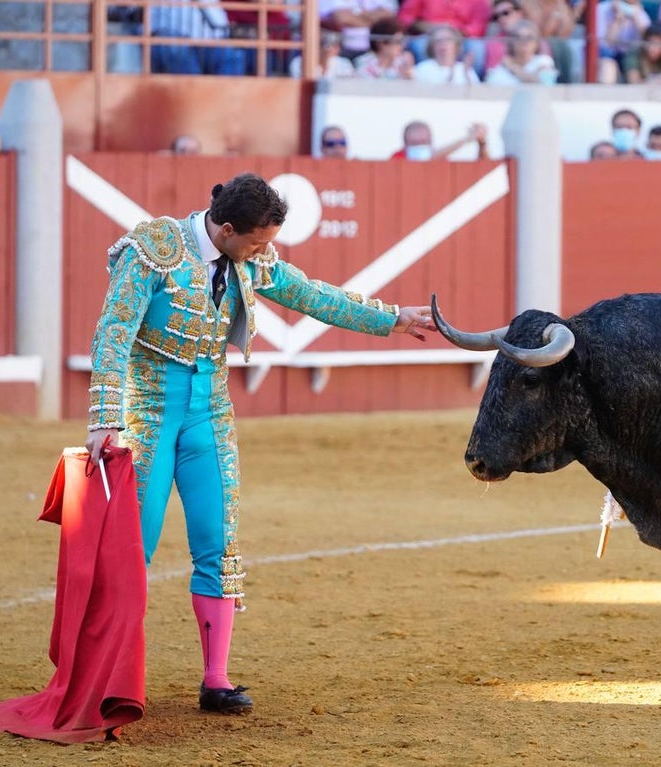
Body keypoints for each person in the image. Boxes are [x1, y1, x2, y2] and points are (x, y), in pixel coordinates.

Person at [83, 173, 436, 714]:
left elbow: (310, 294)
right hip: (145, 415)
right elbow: (113, 331)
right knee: (134, 549)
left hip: (209, 417)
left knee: (218, 542)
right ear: (226, 229)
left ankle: (216, 678)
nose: (264, 253)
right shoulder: (151, 249)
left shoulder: (249, 255)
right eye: (257, 242)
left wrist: (392, 319)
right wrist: (104, 418)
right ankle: (111, 677)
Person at [150, 0, 245, 75]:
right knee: (177, 50)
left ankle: (225, 99)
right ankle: (193, 97)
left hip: (208, 41)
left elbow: (219, 23)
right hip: (168, 37)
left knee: (233, 55)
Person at [483, 19, 558, 84]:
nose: (524, 41)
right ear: (511, 41)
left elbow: (544, 84)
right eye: (518, 37)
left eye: (529, 37)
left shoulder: (543, 61)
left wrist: (511, 68)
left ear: (536, 42)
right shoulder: (500, 69)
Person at [596, 0, 653, 84]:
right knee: (608, 66)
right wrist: (618, 21)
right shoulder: (601, 9)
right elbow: (603, 45)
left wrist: (636, 19)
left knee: (634, 62)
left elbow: (649, 44)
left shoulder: (640, 14)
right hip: (606, 57)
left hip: (630, 58)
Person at [320, 0, 398, 61]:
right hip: (341, 50)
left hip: (373, 51)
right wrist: (373, 19)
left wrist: (356, 15)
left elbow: (388, 15)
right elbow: (341, 17)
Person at [413, 25, 482, 84]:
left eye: (448, 40)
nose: (443, 44)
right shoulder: (423, 68)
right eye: (438, 41)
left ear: (456, 45)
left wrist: (466, 74)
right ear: (431, 46)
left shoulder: (464, 69)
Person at [391, 121, 490, 160]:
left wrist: (482, 144)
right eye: (414, 143)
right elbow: (429, 158)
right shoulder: (397, 158)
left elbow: (482, 168)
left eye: (423, 142)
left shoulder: (441, 159)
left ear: (430, 142)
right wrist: (466, 139)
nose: (419, 146)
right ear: (405, 144)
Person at [289, 30, 356, 78]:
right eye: (324, 44)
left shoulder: (344, 63)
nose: (328, 49)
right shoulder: (298, 62)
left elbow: (348, 86)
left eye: (334, 46)